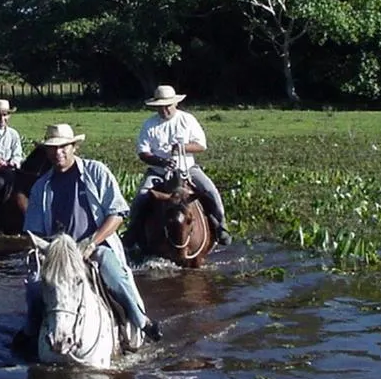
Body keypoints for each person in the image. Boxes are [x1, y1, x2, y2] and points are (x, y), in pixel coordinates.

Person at [16, 123, 162, 350]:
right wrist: (43, 251)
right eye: (52, 148)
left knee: (115, 275)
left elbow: (117, 213)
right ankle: (31, 332)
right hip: (58, 253)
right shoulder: (40, 187)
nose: (58, 153)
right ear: (46, 151)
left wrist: (92, 243)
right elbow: (33, 231)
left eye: (64, 147)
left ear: (74, 147)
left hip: (95, 246)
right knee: (35, 287)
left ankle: (140, 321)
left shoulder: (96, 172)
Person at [122, 85, 231, 250]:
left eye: (167, 106)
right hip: (158, 171)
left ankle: (221, 226)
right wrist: (161, 161)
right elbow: (143, 153)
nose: (164, 110)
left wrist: (182, 147)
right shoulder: (149, 125)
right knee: (141, 196)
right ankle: (133, 231)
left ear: (175, 104)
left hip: (188, 169)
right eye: (160, 107)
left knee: (210, 191)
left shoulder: (187, 120)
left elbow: (201, 145)